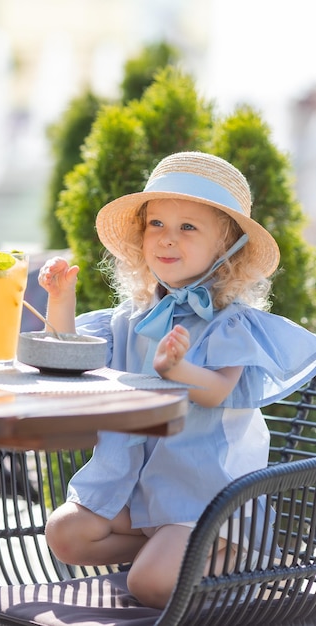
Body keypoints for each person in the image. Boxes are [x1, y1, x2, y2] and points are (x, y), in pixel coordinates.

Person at [38, 151, 316, 609]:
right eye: (156, 225)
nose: (167, 239)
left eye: (188, 227)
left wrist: (178, 370)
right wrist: (59, 299)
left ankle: (234, 558)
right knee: (66, 534)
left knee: (148, 585)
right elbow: (68, 357)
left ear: (227, 249)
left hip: (206, 499)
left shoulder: (231, 323)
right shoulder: (129, 320)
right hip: (140, 488)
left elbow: (219, 390)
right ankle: (164, 554)